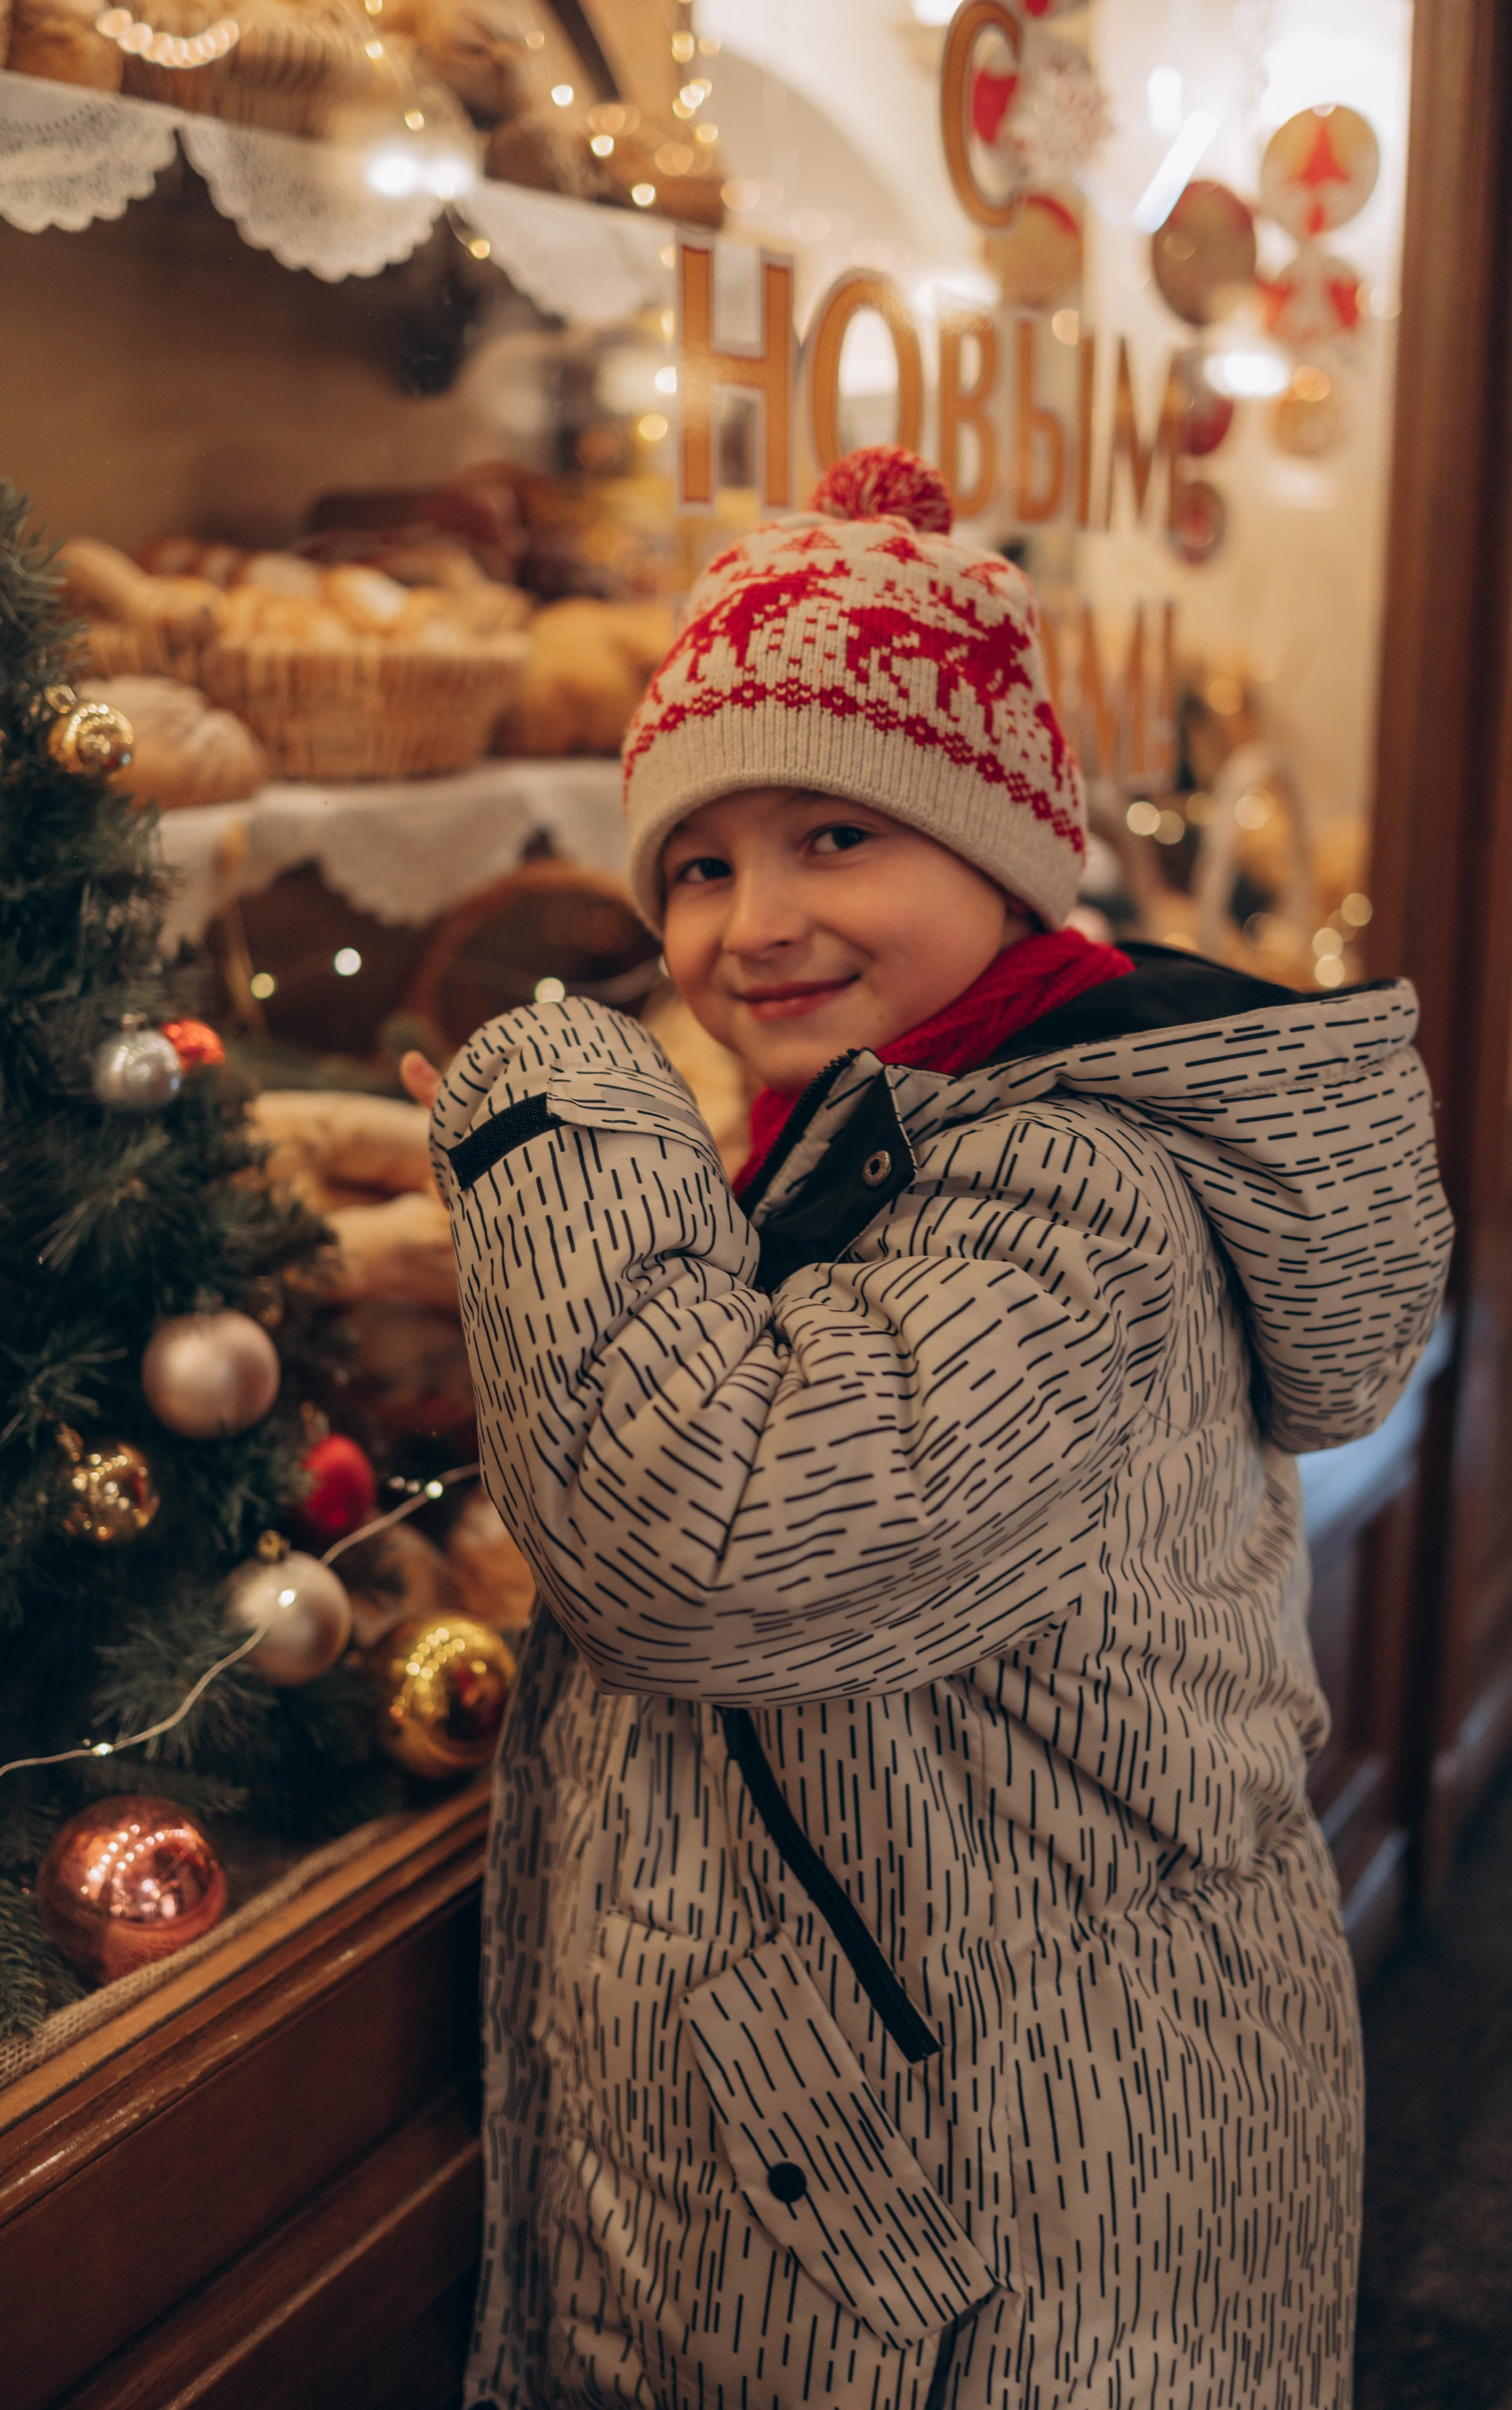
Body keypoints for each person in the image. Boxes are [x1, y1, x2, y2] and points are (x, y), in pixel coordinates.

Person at [405, 447, 1452, 2409]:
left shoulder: (1075, 1196)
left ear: (1002, 859)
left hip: (1021, 2232)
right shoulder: (859, 1143)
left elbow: (711, 1544)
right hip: (915, 2162)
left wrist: (556, 1108)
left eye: (835, 837)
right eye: (699, 866)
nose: (754, 922)